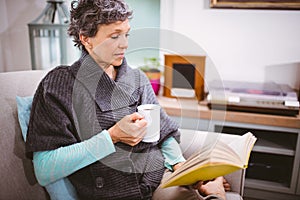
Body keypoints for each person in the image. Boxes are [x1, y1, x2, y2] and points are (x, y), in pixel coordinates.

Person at [25, 0, 229, 199]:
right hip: (109, 191)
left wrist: (179, 165)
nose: (125, 44)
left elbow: (164, 133)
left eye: (126, 34)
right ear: (86, 39)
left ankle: (213, 190)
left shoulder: (136, 78)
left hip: (157, 178)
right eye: (114, 36)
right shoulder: (59, 85)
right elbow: (45, 169)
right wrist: (112, 136)